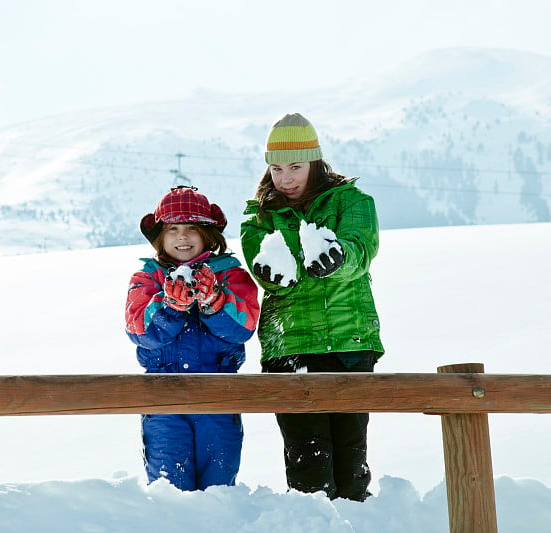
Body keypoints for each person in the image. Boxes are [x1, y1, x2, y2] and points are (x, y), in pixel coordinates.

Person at [240, 112, 384, 502]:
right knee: (308, 465)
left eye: (295, 167)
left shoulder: (353, 202)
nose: (285, 178)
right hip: (291, 348)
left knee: (350, 459)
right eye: (277, 168)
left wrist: (339, 259)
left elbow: (360, 250)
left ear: (315, 162)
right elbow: (262, 265)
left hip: (350, 342)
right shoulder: (259, 217)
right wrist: (273, 273)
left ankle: (357, 524)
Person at [125, 185, 259, 491]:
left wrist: (215, 301)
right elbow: (140, 331)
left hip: (219, 395)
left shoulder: (231, 275)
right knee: (170, 491)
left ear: (207, 235)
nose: (181, 236)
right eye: (172, 228)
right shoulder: (147, 278)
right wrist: (169, 306)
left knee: (218, 489)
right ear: (160, 235)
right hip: (163, 398)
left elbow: (243, 328)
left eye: (191, 228)